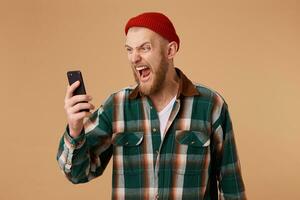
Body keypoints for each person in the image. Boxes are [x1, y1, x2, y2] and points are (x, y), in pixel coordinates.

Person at [57, 12, 246, 200]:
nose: (134, 58)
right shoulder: (116, 107)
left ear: (170, 50)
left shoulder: (210, 105)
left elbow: (232, 186)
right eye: (129, 50)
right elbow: (77, 173)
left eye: (144, 48)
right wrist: (75, 130)